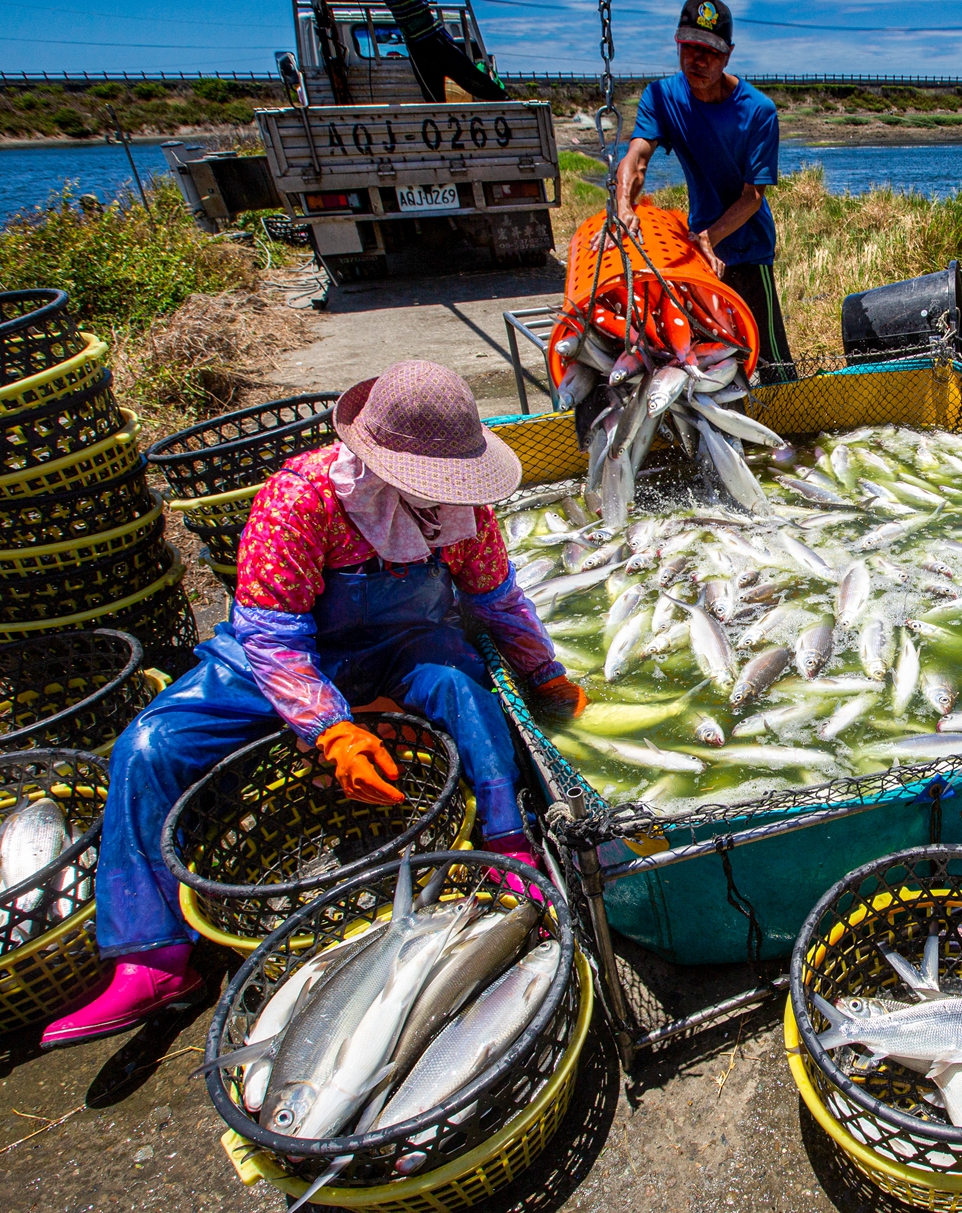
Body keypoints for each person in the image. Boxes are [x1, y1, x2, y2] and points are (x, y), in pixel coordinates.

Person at [41, 361, 586, 1048]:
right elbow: (272, 634)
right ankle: (152, 957)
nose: (443, 499)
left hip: (397, 646)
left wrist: (545, 671)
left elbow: (495, 599)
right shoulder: (302, 500)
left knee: (465, 691)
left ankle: (513, 846)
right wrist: (332, 729)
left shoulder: (462, 515)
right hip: (286, 656)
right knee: (150, 745)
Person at [606, 0, 793, 378]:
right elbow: (638, 156)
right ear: (677, 44)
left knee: (775, 366)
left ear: (728, 56)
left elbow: (752, 197)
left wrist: (710, 237)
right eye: (690, 47)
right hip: (696, 253)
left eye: (710, 52)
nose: (698, 60)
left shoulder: (759, 111)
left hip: (748, 247)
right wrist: (624, 204)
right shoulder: (662, 97)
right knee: (708, 358)